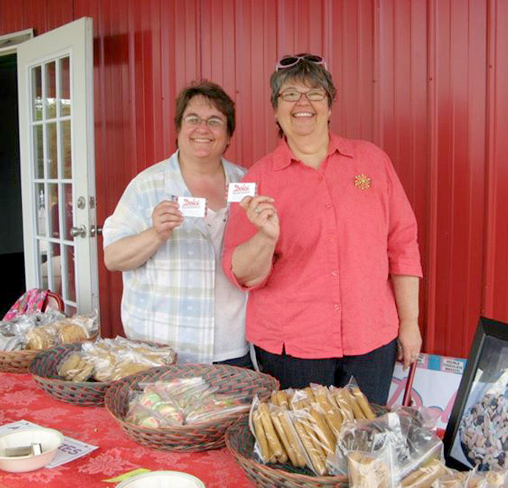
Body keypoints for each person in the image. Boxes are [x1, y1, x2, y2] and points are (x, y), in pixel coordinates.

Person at [222, 54, 422, 403]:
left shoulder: (372, 161)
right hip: (293, 349)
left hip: (371, 340)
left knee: (364, 446)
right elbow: (242, 273)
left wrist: (410, 323)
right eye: (290, 94)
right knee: (302, 452)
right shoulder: (258, 180)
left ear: (330, 106)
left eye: (315, 93)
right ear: (275, 110)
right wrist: (265, 238)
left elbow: (402, 245)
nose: (303, 102)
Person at [103, 80, 251, 366]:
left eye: (215, 121)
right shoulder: (147, 185)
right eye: (192, 119)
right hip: (164, 349)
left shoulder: (246, 183)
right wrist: (155, 233)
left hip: (232, 347)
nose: (202, 129)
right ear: (179, 129)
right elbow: (113, 257)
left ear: (228, 135)